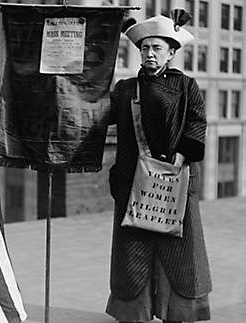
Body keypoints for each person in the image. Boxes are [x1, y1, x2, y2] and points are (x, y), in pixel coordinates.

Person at [104, 10, 211, 323]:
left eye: (157, 48)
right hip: (132, 181)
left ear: (172, 53)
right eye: (145, 48)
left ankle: (177, 311)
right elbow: (99, 116)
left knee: (178, 250)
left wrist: (182, 154)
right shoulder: (125, 89)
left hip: (174, 181)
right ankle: (134, 311)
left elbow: (196, 122)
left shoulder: (187, 86)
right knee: (133, 250)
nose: (149, 53)